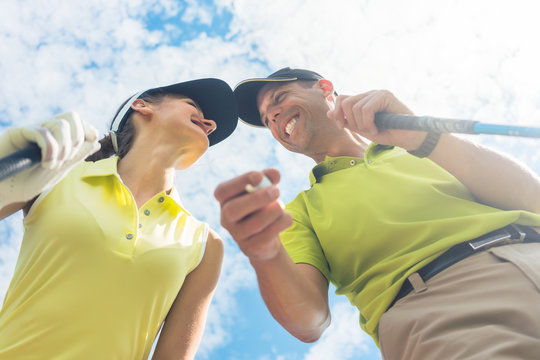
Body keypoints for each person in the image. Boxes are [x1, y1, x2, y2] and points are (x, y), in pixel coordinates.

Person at [214, 67, 540, 359]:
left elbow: (531, 198)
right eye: (267, 117)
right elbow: (309, 321)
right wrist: (264, 253)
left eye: (278, 98)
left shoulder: (417, 143)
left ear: (325, 88)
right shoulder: (299, 212)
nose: (273, 116)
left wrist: (422, 137)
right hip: (440, 311)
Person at [0, 78, 238, 359]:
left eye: (211, 125)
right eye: (193, 105)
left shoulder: (204, 243)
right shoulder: (60, 174)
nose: (209, 124)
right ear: (142, 106)